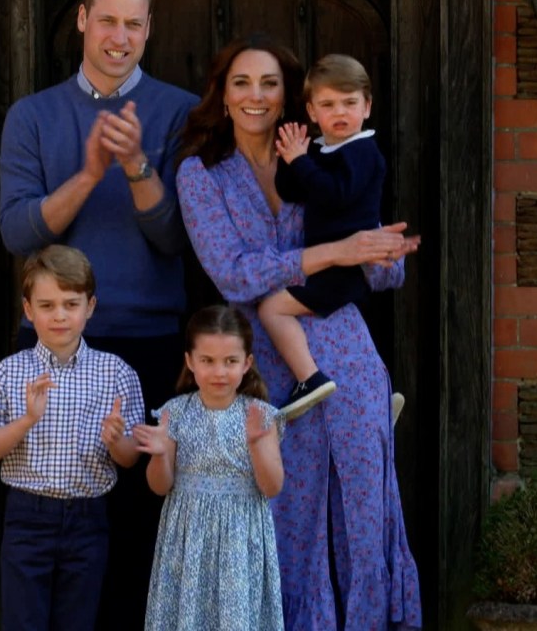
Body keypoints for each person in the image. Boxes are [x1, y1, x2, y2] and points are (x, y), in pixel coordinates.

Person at [176, 34, 423, 630]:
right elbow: (234, 276)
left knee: (364, 509)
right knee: (284, 512)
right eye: (242, 83)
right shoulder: (201, 173)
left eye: (269, 84)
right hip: (267, 369)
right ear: (224, 95)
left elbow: (384, 272)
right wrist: (335, 251)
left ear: (292, 98)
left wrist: (382, 253)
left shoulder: (328, 152)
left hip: (347, 352)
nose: (256, 96)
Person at [0, 0, 199, 629]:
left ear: (148, 30)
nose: (119, 36)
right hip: (55, 344)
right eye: (106, 20)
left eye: (132, 24)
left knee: (141, 521)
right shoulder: (33, 116)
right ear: (82, 19)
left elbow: (177, 239)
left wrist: (138, 165)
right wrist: (88, 174)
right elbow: (17, 229)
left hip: (149, 343)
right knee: (58, 518)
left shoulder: (180, 112)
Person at [0, 245, 144, 631]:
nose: (60, 316)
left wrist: (117, 440)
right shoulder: (9, 372)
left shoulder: (115, 373)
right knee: (23, 623)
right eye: (47, 306)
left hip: (87, 519)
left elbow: (130, 458)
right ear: (28, 310)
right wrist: (27, 420)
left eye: (71, 304)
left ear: (90, 306)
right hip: (27, 518)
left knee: (78, 623)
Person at [262, 53, 407, 421]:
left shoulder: (363, 152)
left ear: (367, 106)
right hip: (331, 263)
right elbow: (292, 190)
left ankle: (308, 379)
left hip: (345, 267)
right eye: (328, 104)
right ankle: (375, 400)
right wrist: (292, 157)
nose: (339, 112)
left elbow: (333, 193)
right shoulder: (322, 150)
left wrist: (301, 161)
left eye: (349, 103)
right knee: (346, 338)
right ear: (312, 112)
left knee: (272, 308)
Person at [133, 305, 285, 631]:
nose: (219, 372)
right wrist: (160, 455)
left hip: (240, 539)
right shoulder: (175, 412)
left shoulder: (260, 416)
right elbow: (159, 486)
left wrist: (258, 444)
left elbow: (272, 487)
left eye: (230, 361)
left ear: (247, 364)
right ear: (190, 361)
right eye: (208, 361)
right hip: (188, 539)